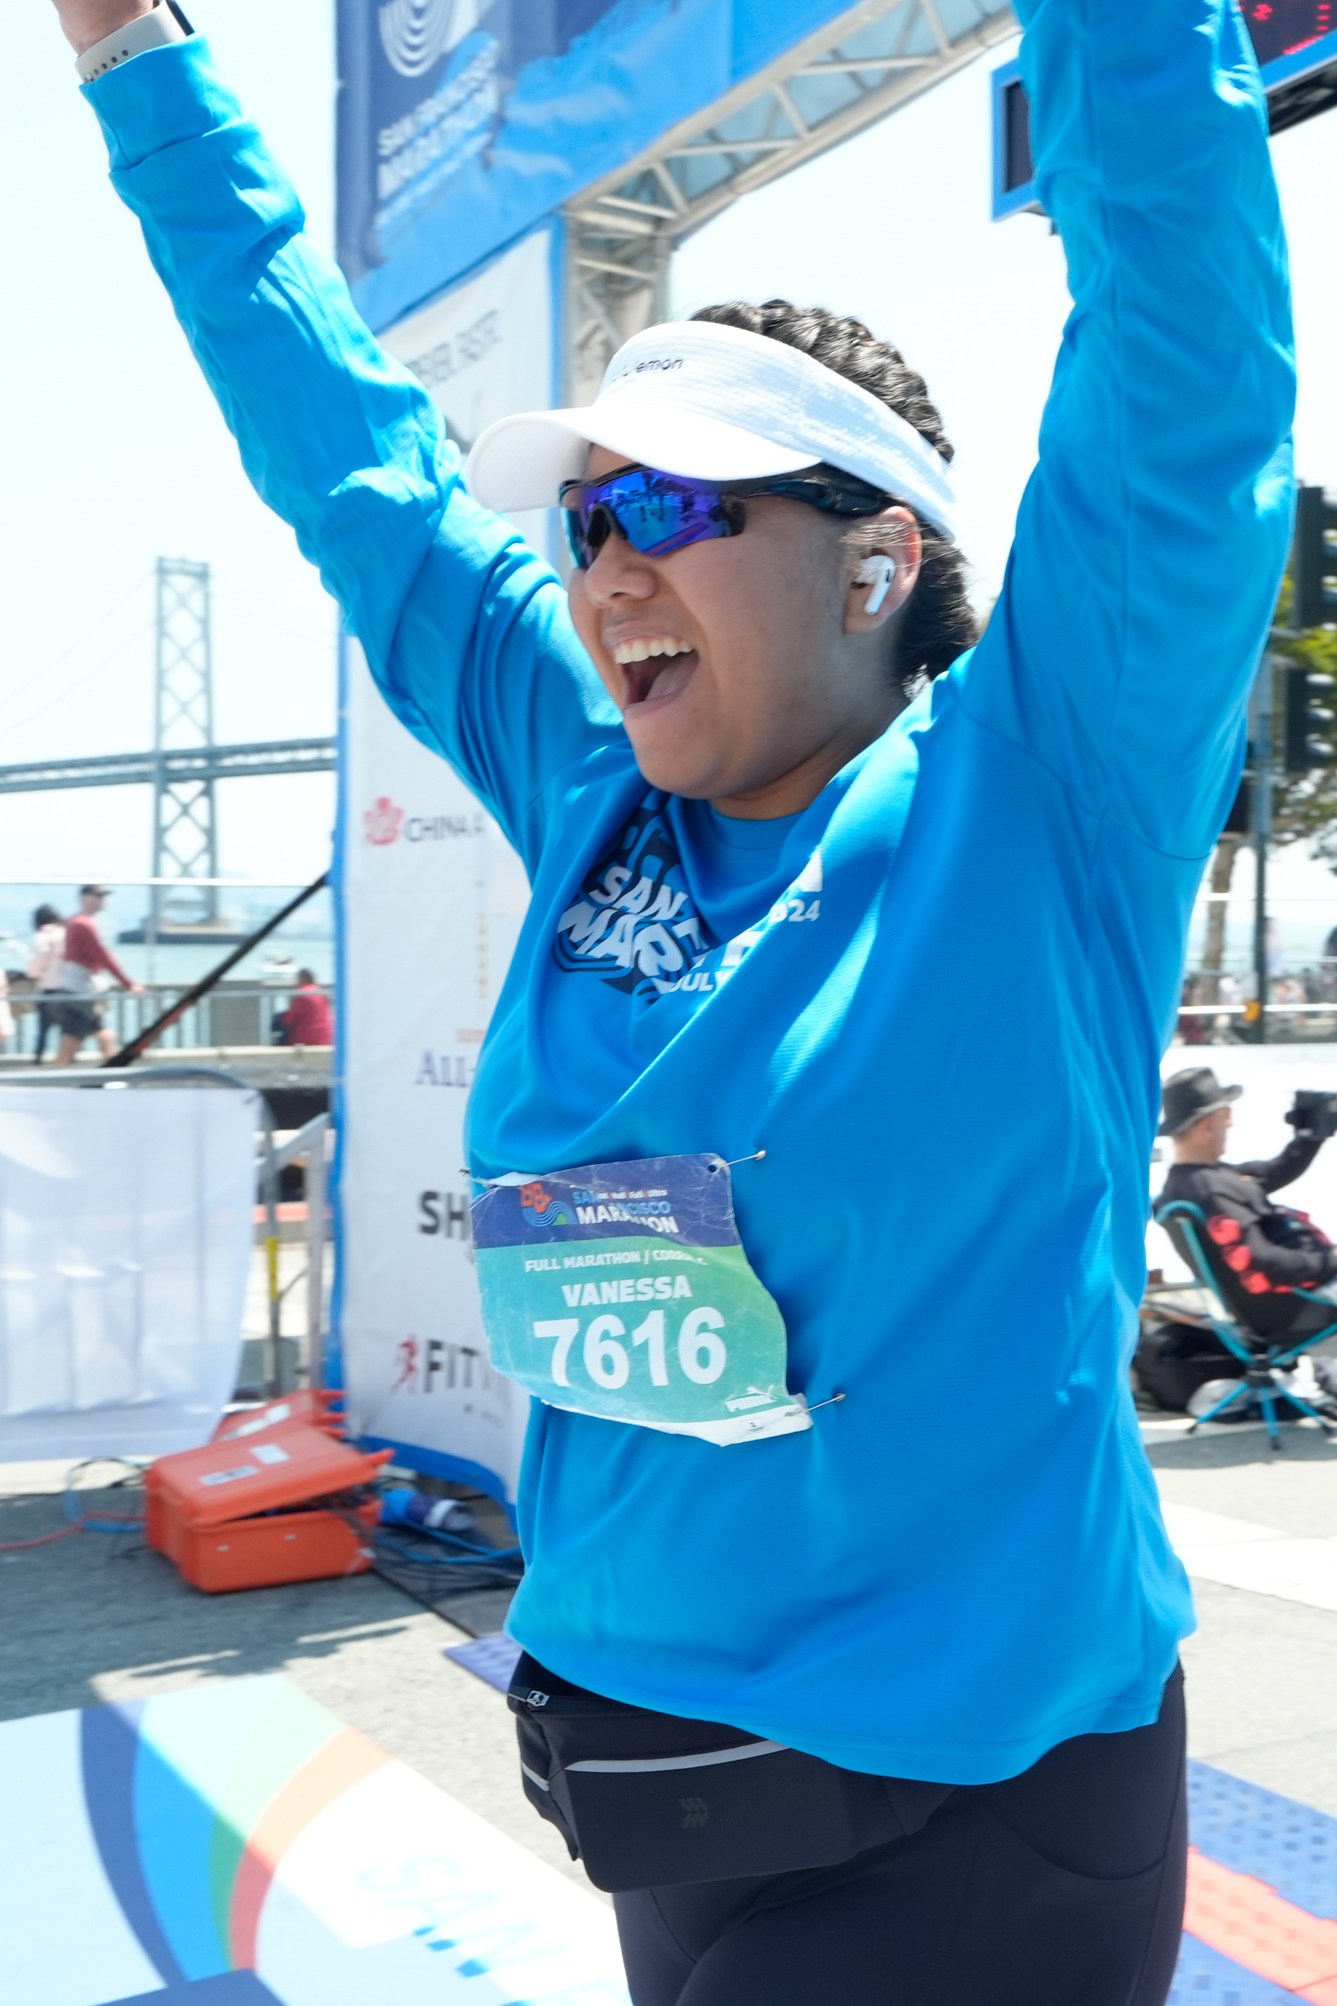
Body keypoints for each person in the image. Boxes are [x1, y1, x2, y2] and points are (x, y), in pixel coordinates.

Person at [53, 0, 1294, 1998]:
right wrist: (133, 55)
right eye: (584, 520)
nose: (605, 572)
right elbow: (349, 460)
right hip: (656, 1787)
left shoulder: (1038, 791)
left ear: (875, 557)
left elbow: (1178, 326)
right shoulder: (587, 788)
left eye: (672, 510)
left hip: (965, 1810)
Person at [1156, 1067, 1337, 1341]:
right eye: (1225, 1114)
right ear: (1206, 1124)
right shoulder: (1209, 1191)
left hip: (1290, 1301)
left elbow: (1272, 1172)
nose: (1230, 1123)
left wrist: (1310, 1137)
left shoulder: (1200, 1179)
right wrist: (1329, 1260)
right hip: (1297, 1309)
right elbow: (1264, 1263)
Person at [53, 883, 142, 1065]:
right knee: (73, 1039)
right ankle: (55, 1081)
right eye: (98, 896)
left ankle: (114, 1071)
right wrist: (128, 983)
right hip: (79, 990)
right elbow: (101, 955)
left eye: (103, 896)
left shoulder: (74, 921)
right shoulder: (83, 924)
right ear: (85, 897)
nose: (102, 900)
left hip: (78, 987)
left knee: (102, 1035)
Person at [26, 902, 67, 1062]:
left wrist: (32, 974)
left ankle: (39, 1058)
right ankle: (66, 1058)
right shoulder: (66, 933)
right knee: (68, 1029)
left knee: (43, 1029)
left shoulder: (41, 936)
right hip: (68, 989)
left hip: (49, 988)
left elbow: (37, 963)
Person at [273, 968, 333, 1048]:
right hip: (326, 1036)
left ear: (303, 979)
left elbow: (290, 1020)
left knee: (278, 1020)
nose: (296, 982)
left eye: (297, 979)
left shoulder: (302, 994)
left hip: (307, 1037)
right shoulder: (321, 992)